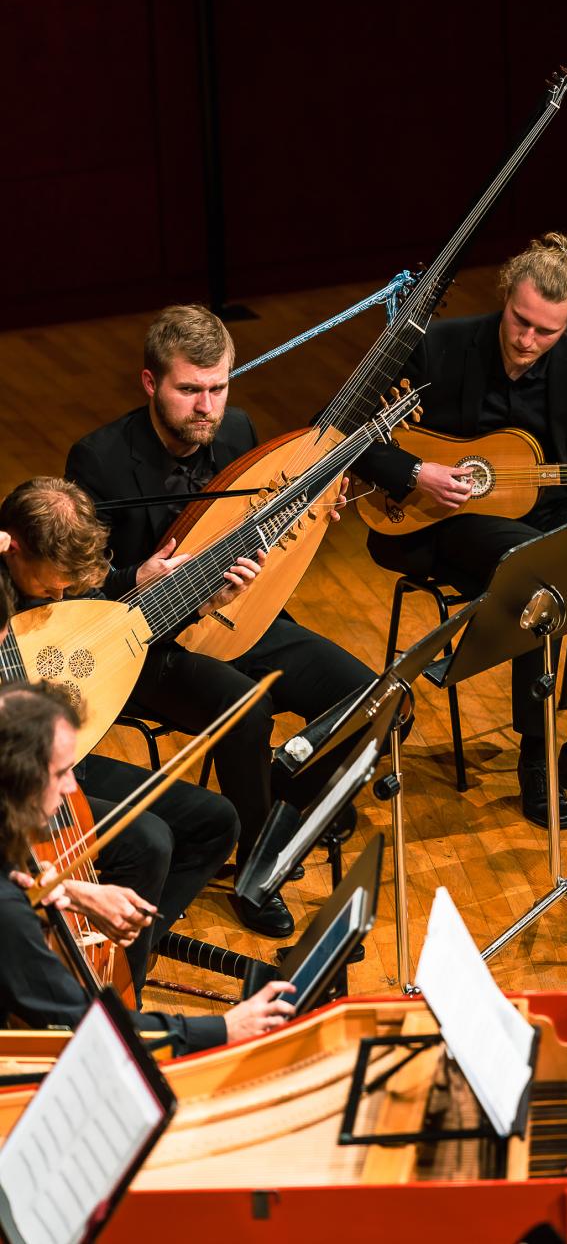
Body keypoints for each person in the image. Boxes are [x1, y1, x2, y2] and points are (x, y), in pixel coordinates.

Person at [65, 304, 376, 937]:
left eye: (218, 387)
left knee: (368, 696)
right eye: (189, 390)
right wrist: (135, 580)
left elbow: (270, 519)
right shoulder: (97, 459)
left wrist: (317, 513)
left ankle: (282, 806)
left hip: (243, 615)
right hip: (149, 645)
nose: (206, 406)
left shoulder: (237, 431)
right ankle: (256, 874)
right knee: (246, 707)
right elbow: (73, 582)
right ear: (151, 383)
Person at [357, 232, 567, 829]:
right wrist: (418, 471)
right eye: (519, 321)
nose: (526, 340)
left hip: (544, 510)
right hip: (445, 521)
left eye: (545, 332)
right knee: (538, 570)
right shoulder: (438, 345)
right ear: (506, 297)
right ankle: (537, 760)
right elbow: (346, 430)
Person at [0, 495, 242, 995]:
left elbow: (107, 626)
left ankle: (125, 961)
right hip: (16, 779)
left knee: (215, 822)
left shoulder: (55, 583)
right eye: (52, 582)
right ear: (14, 547)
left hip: (67, 758)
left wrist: (195, 605)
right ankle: (106, 994)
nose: (61, 593)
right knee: (148, 841)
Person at [0, 682, 295, 1053]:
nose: (72, 787)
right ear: (20, 779)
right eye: (61, 773)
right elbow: (91, 1033)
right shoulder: (8, 916)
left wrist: (71, 890)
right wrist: (225, 1028)